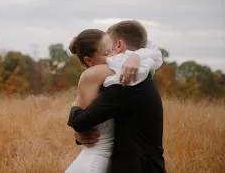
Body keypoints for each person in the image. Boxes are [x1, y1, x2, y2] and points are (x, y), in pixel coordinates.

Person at [65, 20, 166, 173]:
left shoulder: (128, 82)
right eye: (106, 51)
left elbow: (80, 121)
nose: (111, 55)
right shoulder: (137, 74)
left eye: (110, 49)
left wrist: (75, 110)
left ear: (119, 45)